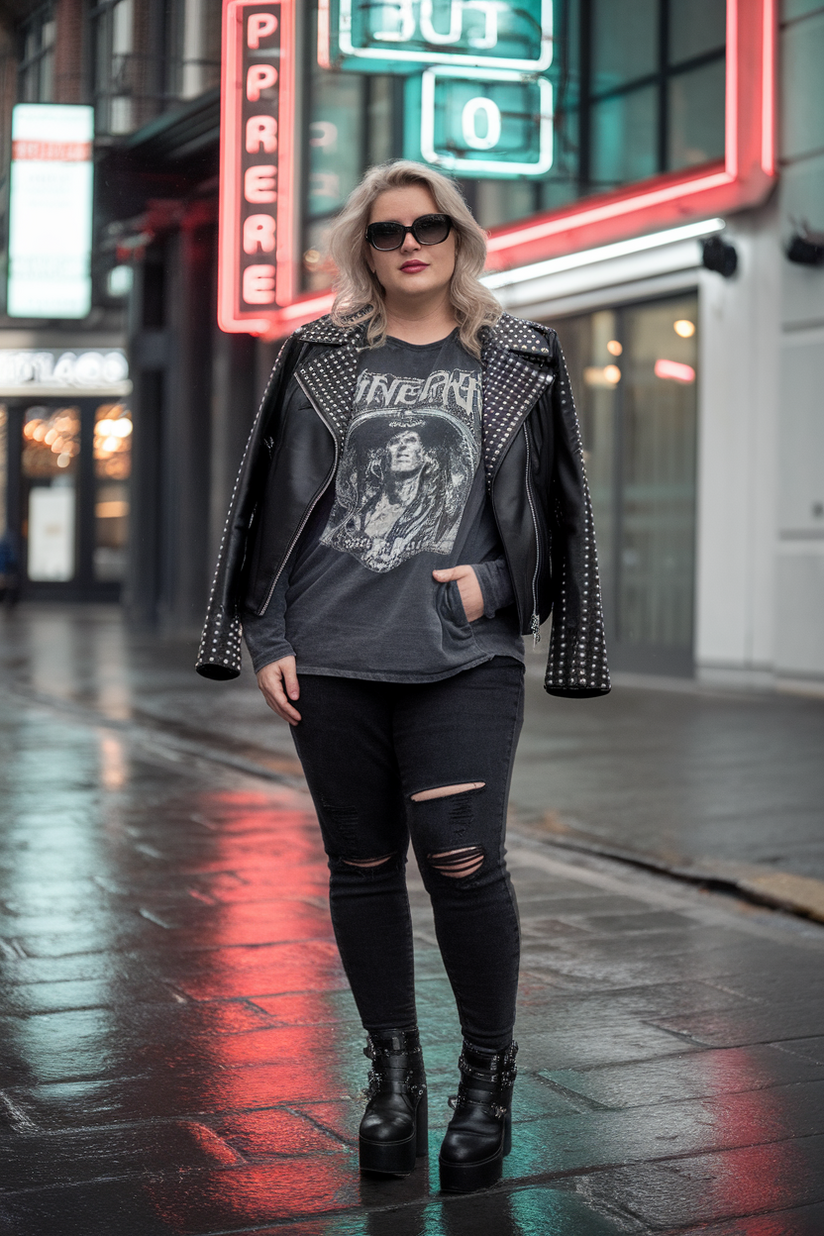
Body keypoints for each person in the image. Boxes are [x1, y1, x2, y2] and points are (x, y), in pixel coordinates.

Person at [196, 160, 609, 1192]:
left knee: (461, 859)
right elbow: (260, 505)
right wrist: (267, 632)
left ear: (459, 237)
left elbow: (563, 519)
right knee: (363, 864)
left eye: (428, 226)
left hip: (459, 659)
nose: (409, 243)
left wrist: (495, 588)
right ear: (363, 249)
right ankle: (391, 1075)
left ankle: (484, 1081)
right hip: (327, 656)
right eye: (386, 232)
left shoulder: (520, 357)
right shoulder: (317, 355)